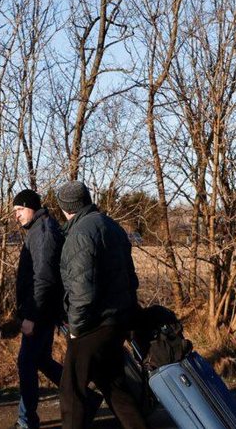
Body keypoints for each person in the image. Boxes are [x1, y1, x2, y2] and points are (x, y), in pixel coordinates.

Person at [56, 181, 147, 429]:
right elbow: (131, 277)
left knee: (72, 392)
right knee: (114, 386)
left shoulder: (79, 234)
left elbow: (82, 291)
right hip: (119, 318)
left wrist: (75, 327)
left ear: (66, 208)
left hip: (94, 324)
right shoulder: (111, 226)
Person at [11, 189, 65, 429]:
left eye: (20, 209)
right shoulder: (38, 229)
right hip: (42, 308)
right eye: (14, 211)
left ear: (32, 206)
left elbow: (44, 278)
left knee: (26, 362)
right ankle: (85, 397)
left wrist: (31, 316)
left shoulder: (42, 232)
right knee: (40, 359)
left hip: (41, 310)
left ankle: (26, 421)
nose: (16, 215)